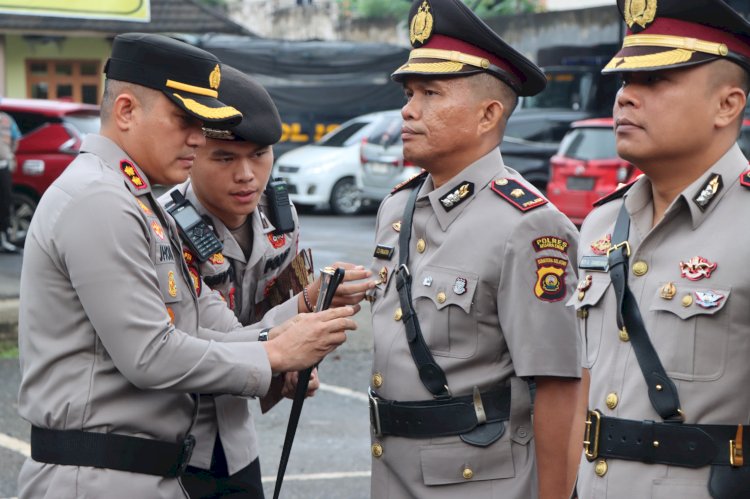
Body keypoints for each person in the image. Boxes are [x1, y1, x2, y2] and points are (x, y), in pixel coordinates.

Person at [16, 32, 358, 499]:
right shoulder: (99, 200)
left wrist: (299, 318)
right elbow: (151, 355)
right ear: (126, 111)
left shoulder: (135, 203)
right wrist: (276, 354)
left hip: (141, 473)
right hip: (95, 475)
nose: (196, 138)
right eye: (184, 120)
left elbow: (206, 329)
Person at [365, 0, 582, 497]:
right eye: (409, 92)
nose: (408, 109)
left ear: (488, 114)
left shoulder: (526, 225)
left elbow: (557, 385)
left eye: (430, 93)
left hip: (480, 481)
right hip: (393, 471)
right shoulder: (397, 209)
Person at [159, 65, 373, 498]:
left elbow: (272, 312)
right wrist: (298, 319)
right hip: (168, 444)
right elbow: (203, 337)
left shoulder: (279, 218)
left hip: (236, 443)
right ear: (192, 153)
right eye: (225, 158)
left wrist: (293, 370)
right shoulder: (163, 225)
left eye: (259, 155)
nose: (247, 175)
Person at [573, 1, 750, 497]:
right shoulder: (602, 223)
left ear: (727, 105)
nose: (626, 98)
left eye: (655, 81)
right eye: (625, 80)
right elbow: (584, 394)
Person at [0, 102, 20, 252]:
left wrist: (9, 155)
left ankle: (4, 240)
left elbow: (16, 139)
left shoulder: (7, 120)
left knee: (5, 203)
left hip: (3, 166)